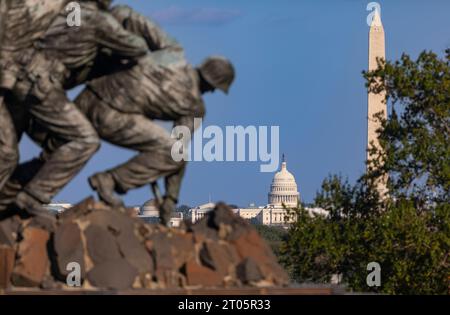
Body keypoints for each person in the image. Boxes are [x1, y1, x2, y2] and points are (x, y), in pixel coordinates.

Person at [0, 0, 150, 228]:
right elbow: (137, 47)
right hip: (40, 85)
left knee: (20, 151)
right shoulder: (97, 20)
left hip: (22, 80)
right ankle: (33, 196)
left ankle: (10, 197)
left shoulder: (66, 12)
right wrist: (127, 25)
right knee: (84, 140)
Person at [76, 50, 235, 225]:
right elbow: (177, 151)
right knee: (176, 154)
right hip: (113, 115)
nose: (212, 92)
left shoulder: (173, 62)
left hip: (88, 96)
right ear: (211, 83)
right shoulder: (195, 106)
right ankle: (110, 180)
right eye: (214, 88)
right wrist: (171, 198)